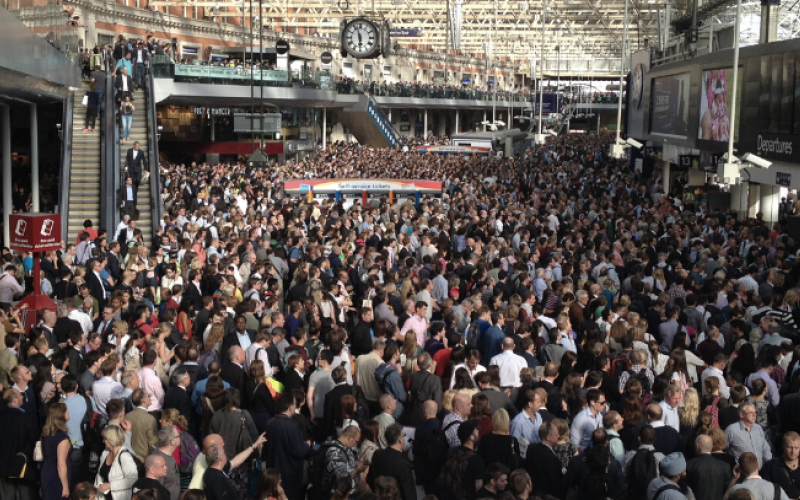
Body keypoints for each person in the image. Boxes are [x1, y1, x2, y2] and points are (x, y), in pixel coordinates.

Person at [263, 393, 310, 500]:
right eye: (294, 404)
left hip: (274, 472)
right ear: (290, 407)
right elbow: (299, 451)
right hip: (290, 476)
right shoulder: (291, 426)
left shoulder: (270, 423)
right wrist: (307, 445)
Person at [202, 431, 267, 500]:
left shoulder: (215, 470)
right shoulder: (216, 479)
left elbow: (236, 461)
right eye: (223, 452)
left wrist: (255, 445)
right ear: (220, 457)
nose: (226, 454)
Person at [368, 424, 418, 500]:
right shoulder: (403, 465)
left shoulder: (377, 454)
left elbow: (370, 479)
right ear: (400, 440)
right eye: (403, 436)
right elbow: (409, 493)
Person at [95, 425, 139, 500]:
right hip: (103, 496)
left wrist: (110, 486)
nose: (103, 441)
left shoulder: (125, 456)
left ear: (111, 439)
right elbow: (99, 475)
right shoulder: (105, 453)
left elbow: (132, 479)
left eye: (104, 438)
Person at [526, 419, 567, 499]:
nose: (558, 436)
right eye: (556, 434)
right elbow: (556, 483)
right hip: (547, 496)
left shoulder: (531, 449)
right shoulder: (551, 459)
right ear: (548, 437)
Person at [41, 402, 74, 500]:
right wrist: (65, 486)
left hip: (46, 471)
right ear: (61, 415)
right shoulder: (62, 437)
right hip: (57, 476)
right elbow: (61, 464)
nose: (68, 412)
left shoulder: (46, 434)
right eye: (66, 411)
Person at [726, 452, 790, 500]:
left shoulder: (736, 490)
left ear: (741, 470)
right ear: (758, 466)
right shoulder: (775, 488)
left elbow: (725, 498)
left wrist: (734, 478)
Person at [724, 402, 772, 467]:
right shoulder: (731, 430)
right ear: (741, 415)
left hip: (759, 472)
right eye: (751, 413)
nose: (754, 415)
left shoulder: (758, 428)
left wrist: (769, 463)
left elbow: (765, 447)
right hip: (741, 473)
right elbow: (723, 448)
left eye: (755, 412)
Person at [685, 435, 732, 500]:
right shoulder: (724, 466)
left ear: (697, 447)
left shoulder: (690, 465)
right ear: (711, 447)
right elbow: (727, 490)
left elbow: (686, 489)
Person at [760, 432, 800, 500]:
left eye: (796, 448)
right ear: (783, 446)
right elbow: (764, 491)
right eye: (789, 447)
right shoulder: (770, 466)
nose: (793, 451)